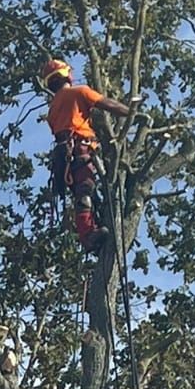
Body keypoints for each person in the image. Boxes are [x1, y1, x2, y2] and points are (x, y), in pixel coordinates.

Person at [41, 58, 131, 254]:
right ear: (66, 74)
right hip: (80, 148)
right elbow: (107, 104)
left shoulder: (52, 109)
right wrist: (132, 112)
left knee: (86, 194)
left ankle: (93, 231)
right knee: (86, 189)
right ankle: (88, 235)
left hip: (64, 158)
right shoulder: (79, 92)